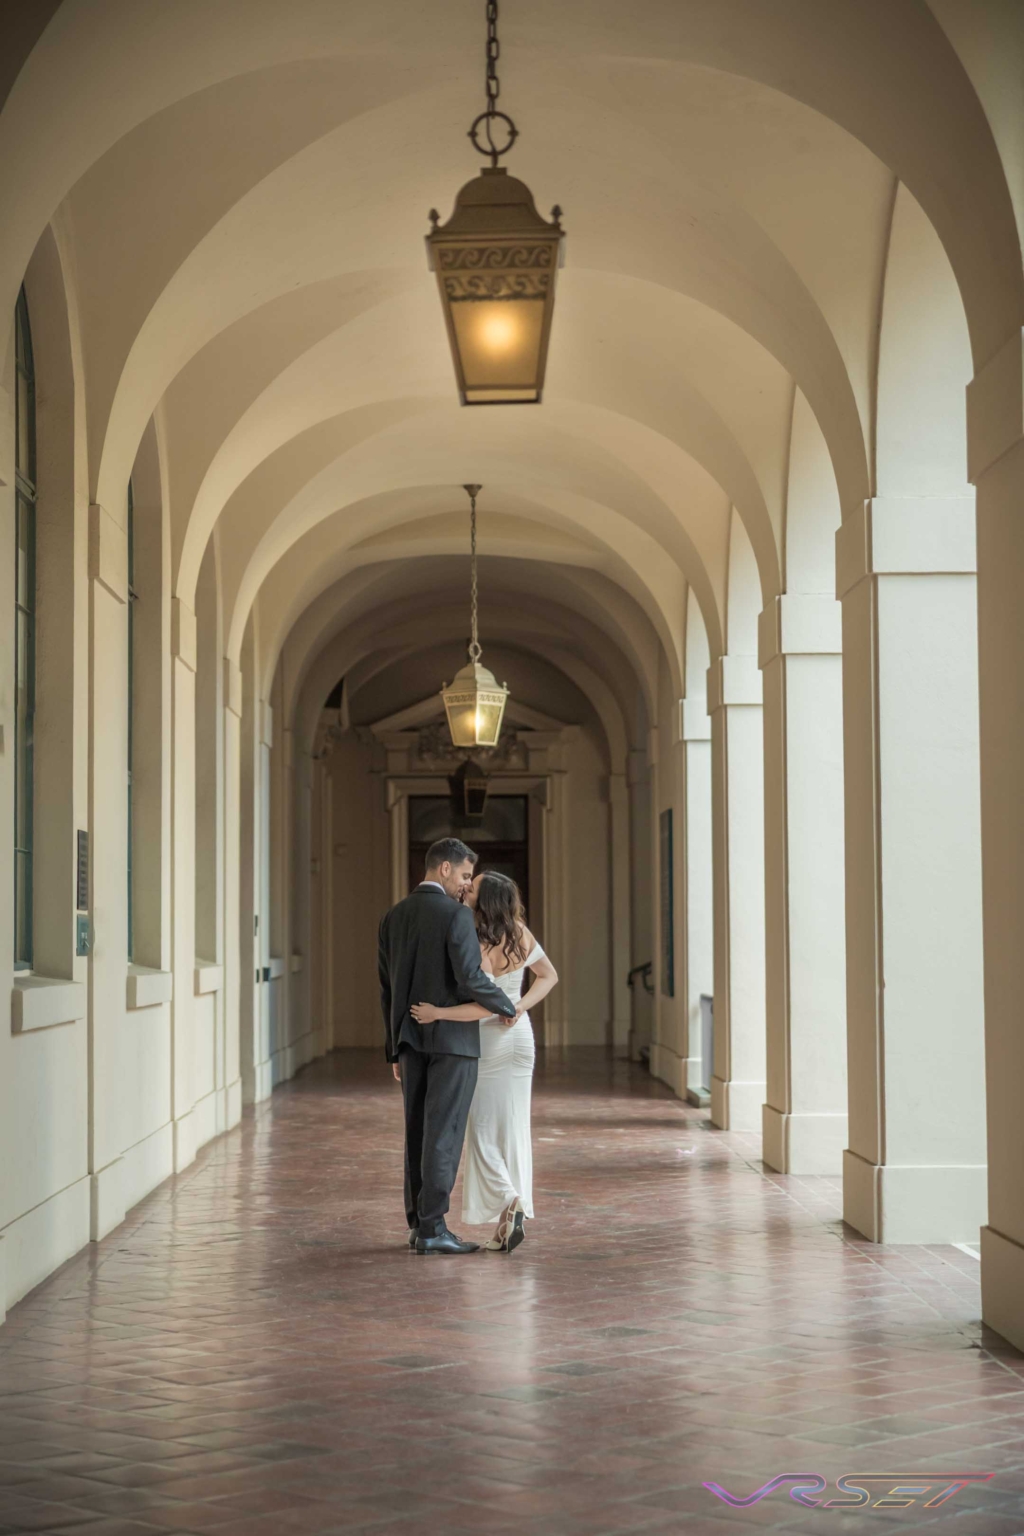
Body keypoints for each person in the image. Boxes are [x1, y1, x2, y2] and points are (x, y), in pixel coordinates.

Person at [378, 838, 516, 1255]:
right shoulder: (455, 915)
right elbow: (471, 977)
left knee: (417, 1133)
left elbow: (388, 989)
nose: (466, 884)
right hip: (453, 1044)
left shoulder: (393, 917)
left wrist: (393, 1049)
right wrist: (504, 1003)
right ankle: (434, 1227)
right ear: (443, 869)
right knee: (444, 1133)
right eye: (464, 875)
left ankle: (417, 1226)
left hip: (408, 1039)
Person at [411, 872, 558, 1254]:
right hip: (522, 1037)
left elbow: (481, 1007)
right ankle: (507, 1222)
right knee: (512, 1126)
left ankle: (510, 1200)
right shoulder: (520, 932)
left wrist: (437, 1013)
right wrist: (520, 1006)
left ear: (484, 900)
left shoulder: (477, 942)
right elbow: (548, 976)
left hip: (492, 1041)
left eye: (471, 887)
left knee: (480, 1129)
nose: (465, 889)